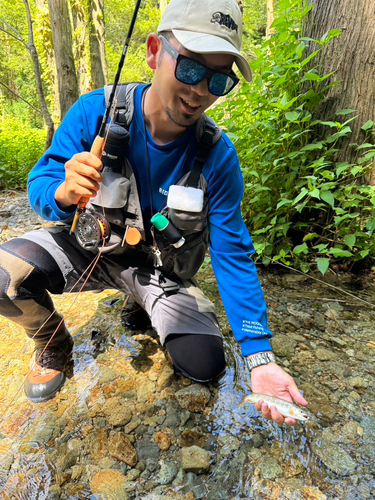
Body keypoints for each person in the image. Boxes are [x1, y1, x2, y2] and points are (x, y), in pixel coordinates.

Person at [0, 0, 307, 425]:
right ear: (152, 52)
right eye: (191, 68)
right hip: (87, 249)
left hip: (158, 271)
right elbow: (39, 187)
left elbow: (233, 256)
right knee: (3, 278)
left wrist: (260, 356)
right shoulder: (96, 112)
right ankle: (52, 341)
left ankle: (140, 302)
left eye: (219, 79)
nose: (201, 90)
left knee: (204, 365)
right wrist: (63, 192)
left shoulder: (217, 157)